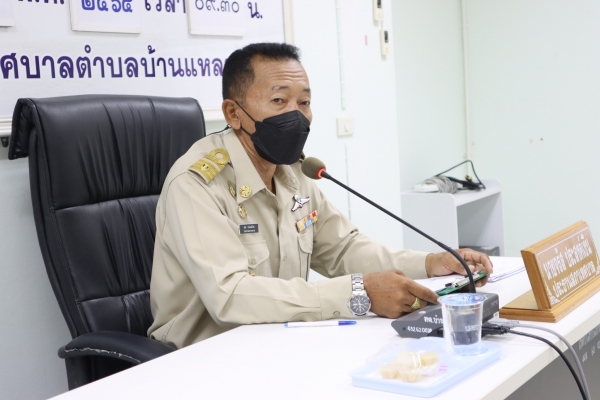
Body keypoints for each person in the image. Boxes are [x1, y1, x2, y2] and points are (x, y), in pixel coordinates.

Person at [148, 43, 493, 349]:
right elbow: (230, 295)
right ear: (234, 114)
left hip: (276, 342)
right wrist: (358, 292)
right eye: (279, 101)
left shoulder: (294, 174)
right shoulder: (196, 184)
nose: (296, 115)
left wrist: (428, 264)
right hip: (202, 357)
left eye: (304, 102)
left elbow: (343, 249)